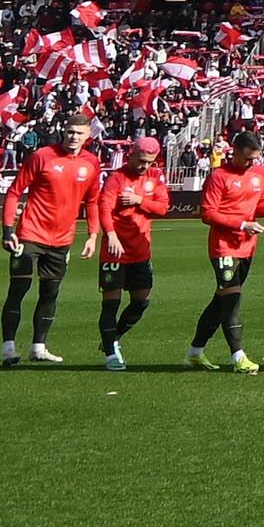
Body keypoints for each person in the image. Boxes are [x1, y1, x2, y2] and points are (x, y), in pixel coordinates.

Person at [0, 112, 102, 366]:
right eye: (69, 131)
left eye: (79, 133)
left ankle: (38, 347)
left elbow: (93, 201)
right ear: (63, 131)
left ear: (88, 135)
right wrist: (8, 229)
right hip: (30, 234)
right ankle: (8, 347)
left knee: (50, 293)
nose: (73, 137)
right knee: (19, 288)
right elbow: (14, 192)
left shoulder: (91, 163)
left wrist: (92, 235)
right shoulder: (42, 156)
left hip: (62, 239)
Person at [188, 126, 264, 372]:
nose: (252, 162)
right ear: (235, 153)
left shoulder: (259, 174)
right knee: (232, 300)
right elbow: (207, 213)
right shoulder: (219, 176)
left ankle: (195, 352)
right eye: (248, 158)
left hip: (247, 247)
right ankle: (238, 356)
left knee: (221, 301)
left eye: (256, 158)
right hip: (223, 247)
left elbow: (261, 203)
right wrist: (242, 224)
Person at [90, 141, 169, 372]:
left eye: (149, 162)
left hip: (140, 252)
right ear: (131, 155)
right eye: (141, 161)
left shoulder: (155, 177)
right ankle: (110, 354)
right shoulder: (116, 178)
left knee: (141, 301)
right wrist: (111, 235)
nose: (144, 166)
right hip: (114, 252)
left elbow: (163, 208)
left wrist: (140, 201)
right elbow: (103, 208)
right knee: (110, 304)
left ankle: (113, 337)